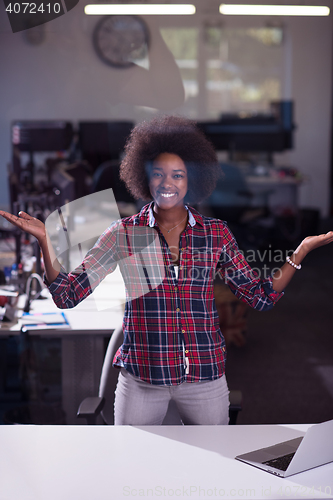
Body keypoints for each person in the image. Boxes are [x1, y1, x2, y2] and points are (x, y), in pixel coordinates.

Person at [1, 116, 332, 425]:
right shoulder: (123, 233)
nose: (167, 182)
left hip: (204, 377)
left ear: (192, 180)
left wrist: (300, 251)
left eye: (178, 174)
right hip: (142, 379)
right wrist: (46, 239)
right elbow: (67, 295)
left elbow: (260, 297)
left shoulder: (215, 234)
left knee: (212, 470)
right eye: (159, 173)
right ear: (145, 177)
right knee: (132, 470)